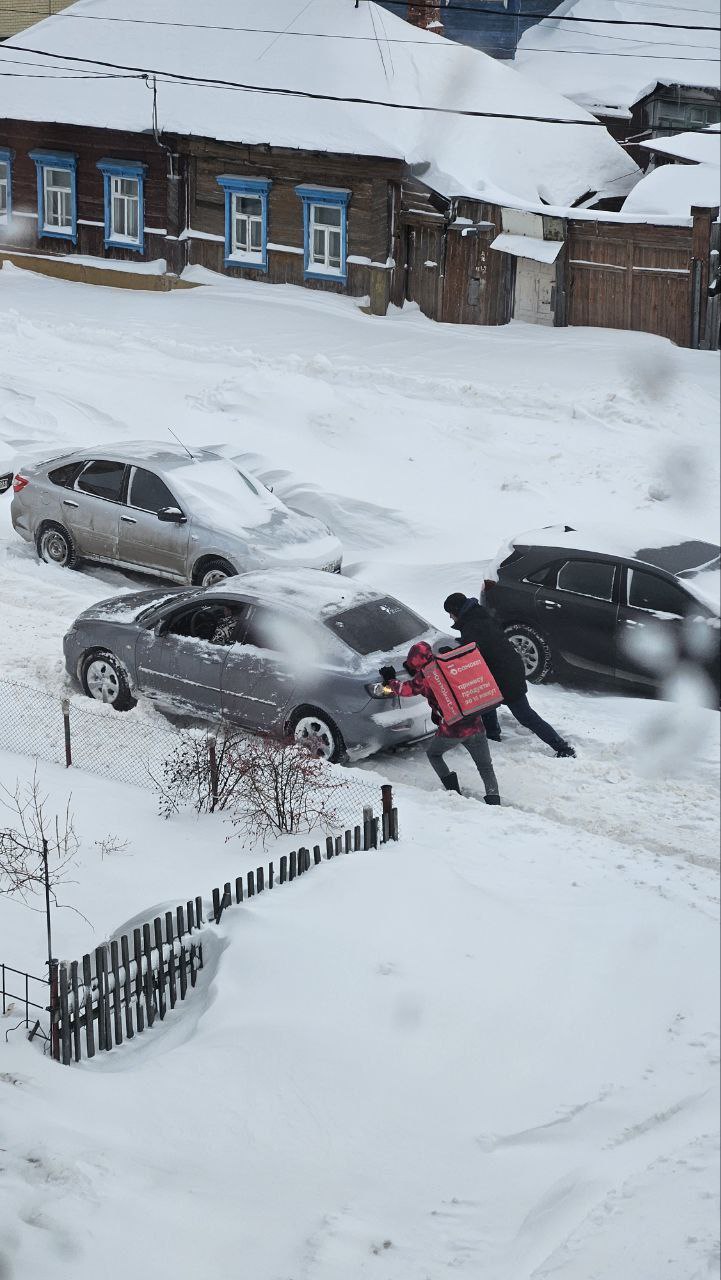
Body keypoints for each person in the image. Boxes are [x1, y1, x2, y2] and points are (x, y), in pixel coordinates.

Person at [442, 593, 576, 758]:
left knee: (525, 716)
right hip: (505, 669)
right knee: (486, 702)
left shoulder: (473, 625)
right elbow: (483, 642)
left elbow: (474, 650)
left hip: (506, 675)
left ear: (456, 610)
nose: (450, 617)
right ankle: (492, 735)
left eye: (450, 613)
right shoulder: (478, 616)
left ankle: (562, 747)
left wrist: (452, 653)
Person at [379, 641, 501, 804]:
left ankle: (453, 791)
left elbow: (405, 690)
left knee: (434, 754)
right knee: (485, 765)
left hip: (453, 730)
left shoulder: (425, 677)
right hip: (475, 723)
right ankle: (494, 802)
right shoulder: (446, 663)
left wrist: (390, 679)